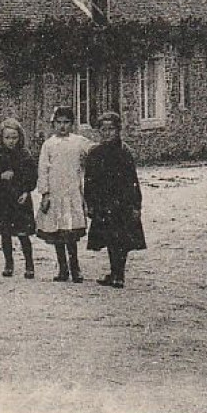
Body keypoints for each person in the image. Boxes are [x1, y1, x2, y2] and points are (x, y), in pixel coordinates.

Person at [82, 111, 147, 288]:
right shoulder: (95, 153)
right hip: (103, 201)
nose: (107, 133)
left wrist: (136, 204)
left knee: (122, 238)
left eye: (111, 129)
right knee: (110, 238)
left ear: (118, 130)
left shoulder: (124, 152)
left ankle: (119, 274)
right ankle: (114, 271)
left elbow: (132, 180)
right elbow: (89, 180)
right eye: (103, 129)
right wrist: (90, 203)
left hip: (122, 202)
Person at [35, 106, 91, 282]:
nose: (62, 127)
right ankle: (62, 269)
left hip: (72, 193)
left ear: (72, 124)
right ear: (53, 124)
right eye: (59, 123)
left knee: (70, 233)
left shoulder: (79, 142)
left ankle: (76, 268)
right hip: (55, 194)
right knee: (57, 231)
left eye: (66, 123)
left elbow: (94, 152)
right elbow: (43, 170)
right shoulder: (49, 145)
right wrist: (45, 193)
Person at [0, 117, 38, 279]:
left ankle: (29, 264)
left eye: (14, 137)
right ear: (1, 138)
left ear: (20, 137)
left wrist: (26, 191)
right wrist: (0, 175)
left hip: (20, 199)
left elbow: (31, 177)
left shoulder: (24, 155)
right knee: (5, 233)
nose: (11, 141)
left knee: (23, 233)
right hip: (3, 199)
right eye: (7, 137)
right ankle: (8, 263)